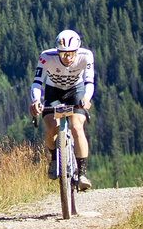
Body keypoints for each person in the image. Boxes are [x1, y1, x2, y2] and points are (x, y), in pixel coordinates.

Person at [29, 29, 95, 189]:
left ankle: (82, 173)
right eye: (63, 54)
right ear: (57, 51)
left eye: (71, 54)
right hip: (54, 92)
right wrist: (36, 100)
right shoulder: (46, 57)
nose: (67, 58)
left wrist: (86, 98)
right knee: (52, 128)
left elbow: (89, 81)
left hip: (76, 91)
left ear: (77, 51)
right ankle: (54, 159)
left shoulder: (86, 56)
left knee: (77, 126)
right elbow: (37, 82)